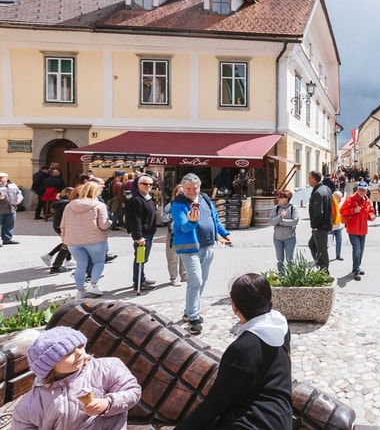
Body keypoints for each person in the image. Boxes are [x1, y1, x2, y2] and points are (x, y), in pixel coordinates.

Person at [176, 273, 292, 429]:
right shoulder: (281, 327)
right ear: (268, 298)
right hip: (281, 420)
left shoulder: (242, 349)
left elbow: (214, 404)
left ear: (234, 306)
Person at [11, 326, 141, 429]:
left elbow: (133, 391)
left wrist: (108, 403)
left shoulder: (106, 368)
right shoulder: (34, 401)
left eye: (80, 346)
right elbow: (22, 423)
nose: (79, 353)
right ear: (49, 365)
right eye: (69, 353)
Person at [171, 173, 232, 335]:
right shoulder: (178, 205)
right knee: (195, 280)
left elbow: (215, 218)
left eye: (194, 188)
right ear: (182, 188)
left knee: (202, 281)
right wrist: (192, 221)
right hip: (189, 247)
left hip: (208, 245)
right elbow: (184, 227)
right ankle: (193, 317)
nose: (192, 191)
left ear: (199, 187)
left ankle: (190, 310)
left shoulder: (204, 198)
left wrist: (224, 233)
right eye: (188, 188)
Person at [61, 182, 112, 299]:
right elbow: (104, 225)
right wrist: (110, 222)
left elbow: (63, 224)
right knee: (98, 262)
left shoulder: (69, 205)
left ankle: (80, 291)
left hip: (73, 241)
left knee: (80, 266)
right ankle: (93, 285)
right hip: (95, 239)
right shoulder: (99, 205)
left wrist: (64, 239)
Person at [125, 174, 158, 291]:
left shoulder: (147, 197)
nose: (148, 186)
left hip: (149, 232)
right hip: (143, 235)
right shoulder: (136, 200)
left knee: (143, 258)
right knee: (140, 258)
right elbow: (135, 220)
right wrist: (138, 237)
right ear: (138, 185)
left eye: (150, 184)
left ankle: (141, 278)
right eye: (145, 184)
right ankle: (138, 282)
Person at [339, 181, 376, 281]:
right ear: (358, 189)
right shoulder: (351, 199)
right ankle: (356, 270)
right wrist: (353, 211)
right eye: (360, 189)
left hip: (363, 229)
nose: (361, 191)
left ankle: (357, 266)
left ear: (366, 190)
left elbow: (370, 212)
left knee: (361, 250)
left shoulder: (367, 200)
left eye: (363, 190)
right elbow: (342, 211)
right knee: (357, 249)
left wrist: (372, 216)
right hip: (353, 229)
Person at [40, 187, 75, 273]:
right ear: (69, 194)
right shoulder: (66, 204)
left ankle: (66, 261)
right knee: (67, 243)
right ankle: (55, 264)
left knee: (67, 242)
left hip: (59, 226)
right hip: (62, 226)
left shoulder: (61, 203)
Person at [307, 171, 332, 272]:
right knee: (312, 244)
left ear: (314, 179)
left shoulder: (318, 192)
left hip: (320, 226)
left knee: (321, 250)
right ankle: (321, 267)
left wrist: (314, 225)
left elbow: (318, 212)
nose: (308, 180)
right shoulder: (326, 188)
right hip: (325, 224)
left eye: (309, 178)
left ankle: (324, 270)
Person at [269, 189, 299, 272]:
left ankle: (290, 276)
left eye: (280, 197)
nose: (277, 199)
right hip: (277, 238)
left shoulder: (293, 208)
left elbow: (294, 221)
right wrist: (280, 217)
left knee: (290, 260)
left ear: (286, 199)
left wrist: (280, 222)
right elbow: (271, 221)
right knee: (279, 260)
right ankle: (281, 276)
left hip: (289, 238)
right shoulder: (276, 208)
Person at [163, 184, 187, 286]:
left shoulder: (189, 205)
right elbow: (163, 218)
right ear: (175, 193)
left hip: (186, 234)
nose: (181, 194)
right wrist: (171, 216)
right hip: (173, 234)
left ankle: (185, 276)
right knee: (172, 258)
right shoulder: (170, 205)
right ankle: (174, 278)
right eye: (179, 192)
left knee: (185, 258)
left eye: (183, 192)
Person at [0, 172, 24, 245]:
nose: (2, 181)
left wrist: (19, 199)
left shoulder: (13, 185)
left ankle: (7, 239)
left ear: (7, 178)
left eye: (3, 180)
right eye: (0, 180)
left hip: (11, 209)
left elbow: (19, 193)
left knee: (9, 225)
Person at [329, 190, 345, 261]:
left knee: (339, 240)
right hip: (331, 227)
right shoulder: (330, 205)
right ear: (334, 197)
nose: (341, 199)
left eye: (341, 197)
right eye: (339, 197)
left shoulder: (341, 205)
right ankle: (323, 256)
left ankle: (338, 255)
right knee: (328, 243)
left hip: (339, 227)